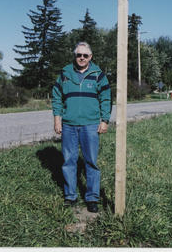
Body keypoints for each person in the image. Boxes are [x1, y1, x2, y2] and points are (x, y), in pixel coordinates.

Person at [52, 41, 111, 213]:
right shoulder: (64, 73)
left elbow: (106, 98)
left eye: (85, 55)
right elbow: (56, 97)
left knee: (91, 162)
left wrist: (104, 120)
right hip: (69, 125)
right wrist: (57, 120)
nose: (82, 58)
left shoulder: (98, 74)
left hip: (90, 125)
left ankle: (92, 198)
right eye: (79, 55)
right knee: (68, 161)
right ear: (75, 56)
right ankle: (70, 196)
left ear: (90, 57)